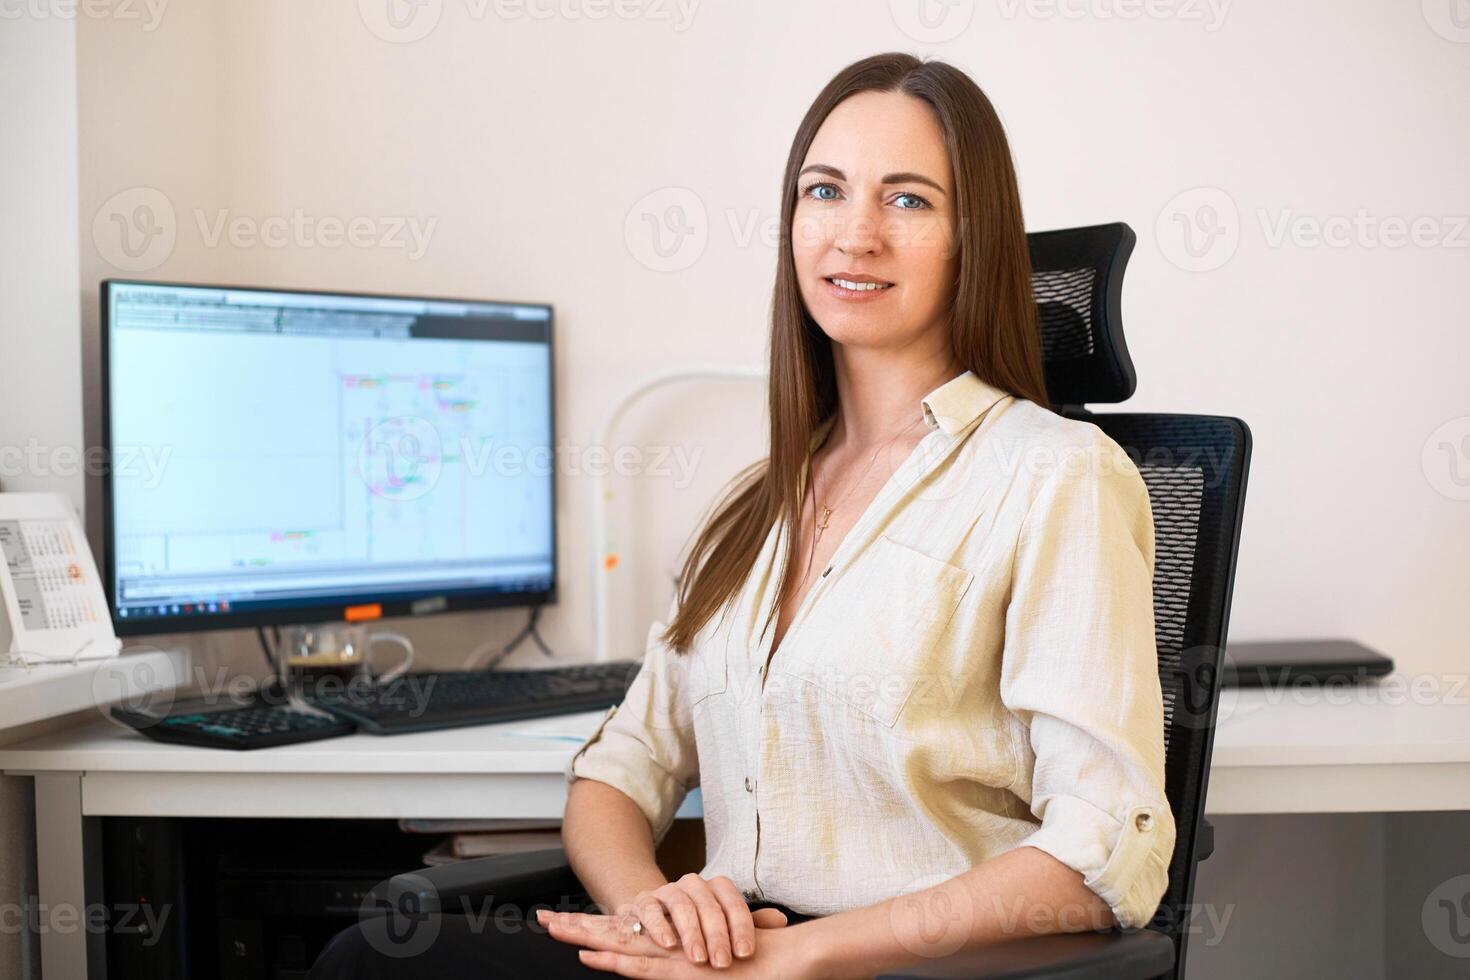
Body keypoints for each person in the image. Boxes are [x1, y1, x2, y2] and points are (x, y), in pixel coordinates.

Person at [310, 50, 1173, 980]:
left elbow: (1100, 852)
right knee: (373, 956)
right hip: (726, 960)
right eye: (825, 191)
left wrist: (806, 956)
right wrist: (649, 907)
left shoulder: (1057, 476)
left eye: (910, 200)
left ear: (976, 240)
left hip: (899, 967)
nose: (856, 234)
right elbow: (622, 768)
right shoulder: (757, 503)